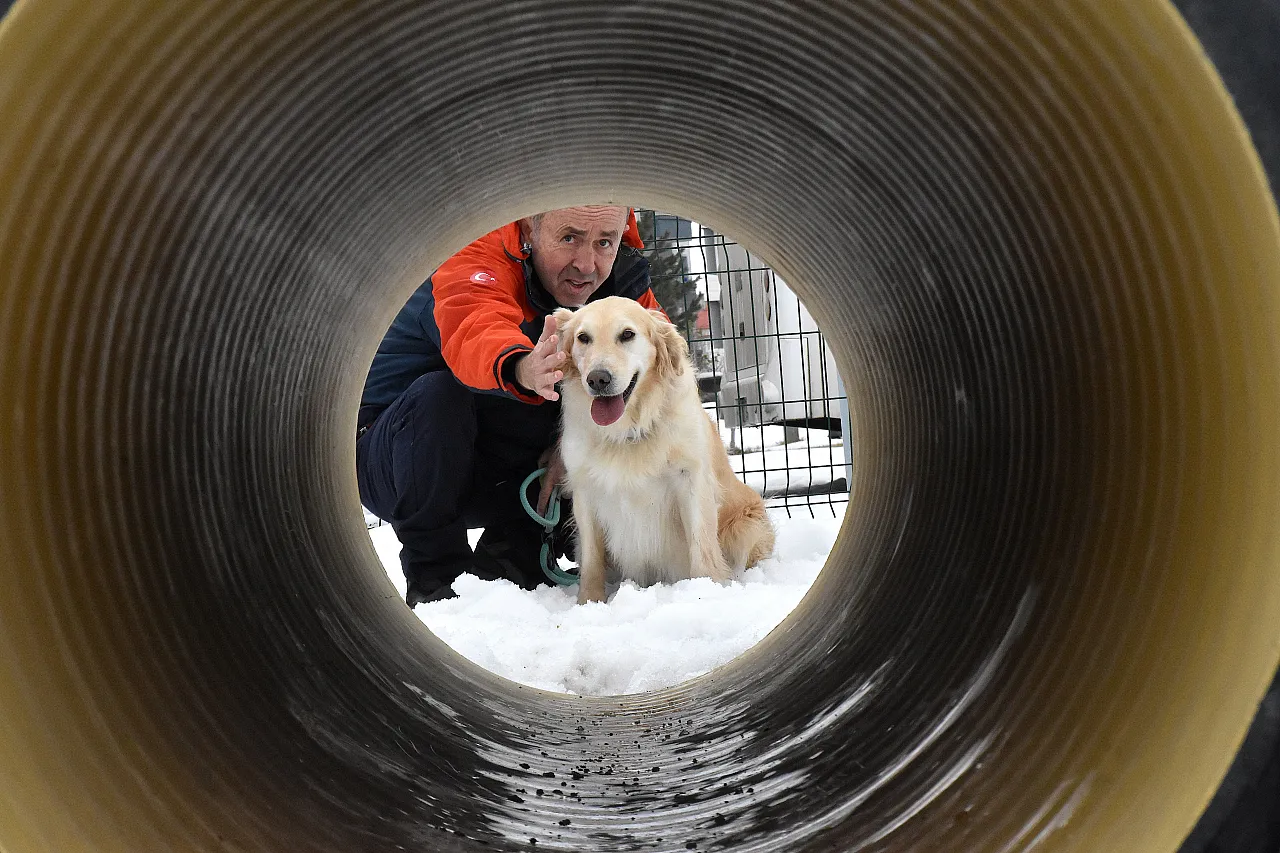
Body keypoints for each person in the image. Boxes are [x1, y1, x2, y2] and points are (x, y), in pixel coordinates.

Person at [356, 205, 664, 607]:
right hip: (397, 456)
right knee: (440, 395)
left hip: (500, 467)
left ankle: (515, 565)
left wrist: (575, 442)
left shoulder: (621, 285)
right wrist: (521, 366)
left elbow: (663, 366)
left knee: (587, 408)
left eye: (604, 242)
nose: (587, 264)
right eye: (569, 238)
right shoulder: (472, 250)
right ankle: (436, 585)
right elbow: (474, 324)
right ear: (529, 227)